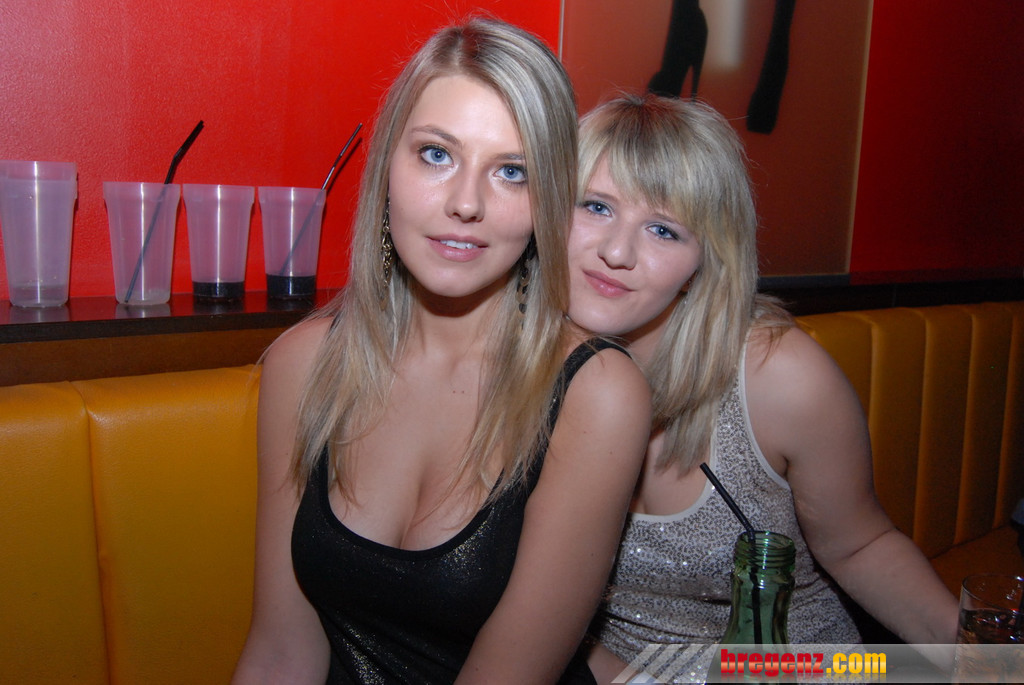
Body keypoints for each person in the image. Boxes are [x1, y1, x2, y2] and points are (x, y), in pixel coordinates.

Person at [232, 19, 652, 685]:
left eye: (511, 172)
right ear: (387, 168)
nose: (465, 203)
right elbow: (281, 652)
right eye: (436, 154)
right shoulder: (302, 365)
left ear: (547, 200)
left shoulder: (594, 394)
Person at [564, 94, 960, 682]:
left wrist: (984, 659)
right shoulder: (504, 374)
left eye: (663, 230)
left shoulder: (777, 375)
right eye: (596, 206)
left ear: (704, 261)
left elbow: (860, 546)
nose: (616, 252)